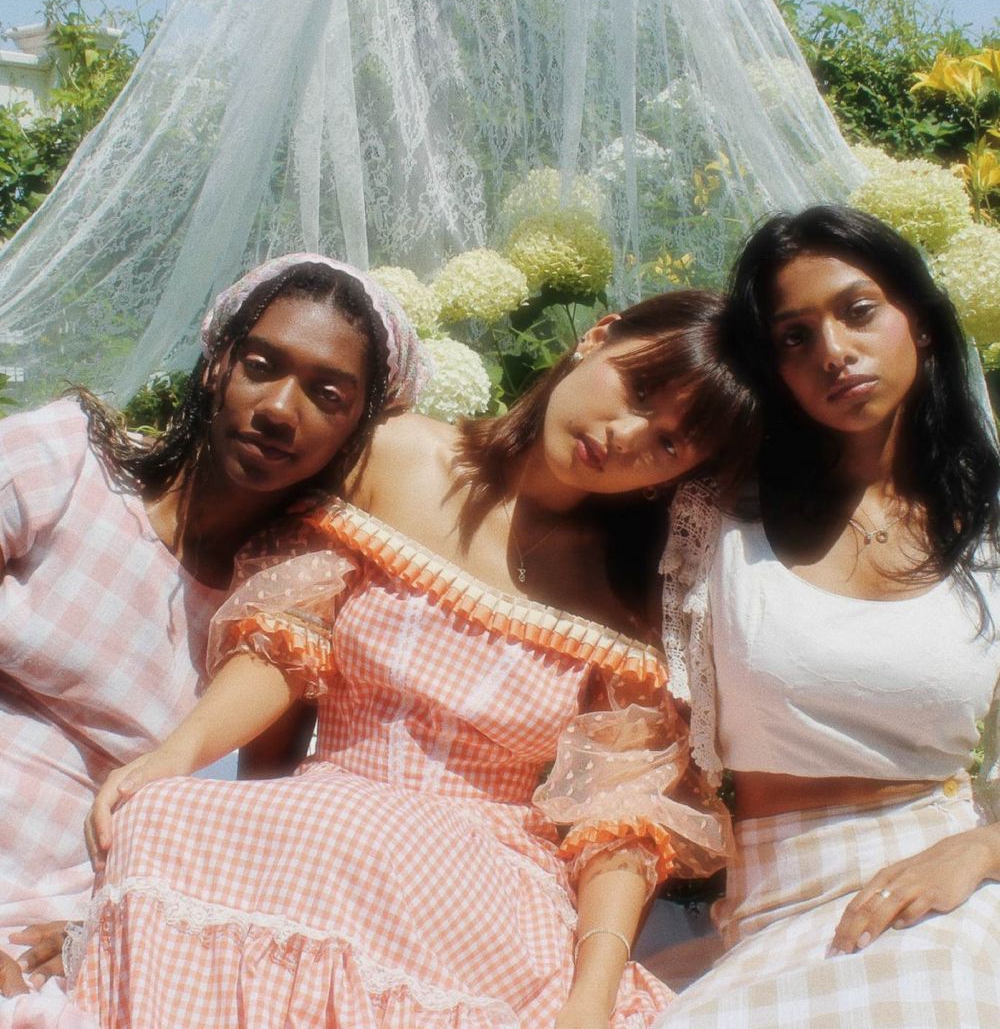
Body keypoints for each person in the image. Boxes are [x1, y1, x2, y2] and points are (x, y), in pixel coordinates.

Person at [40, 289, 759, 1029]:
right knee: (163, 816)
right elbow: (285, 643)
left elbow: (619, 823)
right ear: (597, 337)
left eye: (669, 444)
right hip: (328, 807)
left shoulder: (631, 598)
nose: (626, 435)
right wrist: (178, 753)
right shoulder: (397, 455)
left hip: (479, 879)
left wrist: (593, 996)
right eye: (638, 389)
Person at [0, 254, 425, 1000]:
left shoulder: (280, 624)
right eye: (262, 366)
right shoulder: (64, 465)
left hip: (66, 903)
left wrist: (92, 935)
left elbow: (247, 826)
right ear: (216, 365)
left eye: (327, 394)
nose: (280, 409)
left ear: (362, 427)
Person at [657, 205, 1000, 1026]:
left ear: (917, 323)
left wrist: (984, 848)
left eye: (858, 312)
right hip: (771, 899)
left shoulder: (989, 531)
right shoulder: (715, 528)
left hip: (942, 878)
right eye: (793, 337)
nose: (833, 354)